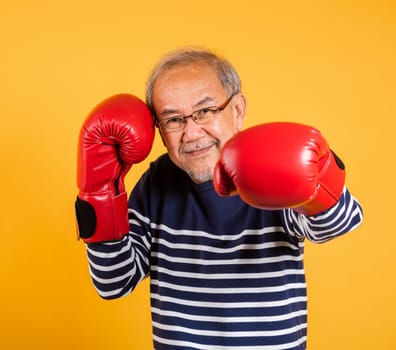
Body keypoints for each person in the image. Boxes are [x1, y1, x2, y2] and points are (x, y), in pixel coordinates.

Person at [75, 48, 364, 350]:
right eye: (173, 119)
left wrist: (317, 176)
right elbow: (114, 282)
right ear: (159, 132)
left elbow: (335, 225)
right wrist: (99, 192)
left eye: (204, 111)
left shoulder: (269, 164)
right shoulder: (157, 182)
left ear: (237, 110)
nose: (191, 132)